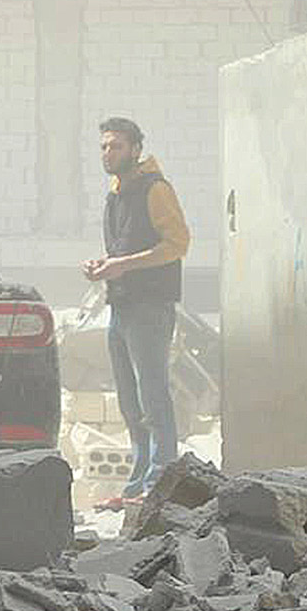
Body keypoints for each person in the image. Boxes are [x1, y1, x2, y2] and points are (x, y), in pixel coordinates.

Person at [82, 116, 191, 505]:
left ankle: (160, 481)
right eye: (104, 146)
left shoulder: (155, 189)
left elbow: (177, 244)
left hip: (150, 307)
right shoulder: (116, 193)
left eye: (116, 146)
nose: (108, 153)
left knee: (152, 394)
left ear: (136, 149)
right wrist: (103, 266)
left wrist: (124, 265)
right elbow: (125, 248)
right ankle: (138, 481)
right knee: (130, 400)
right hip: (121, 306)